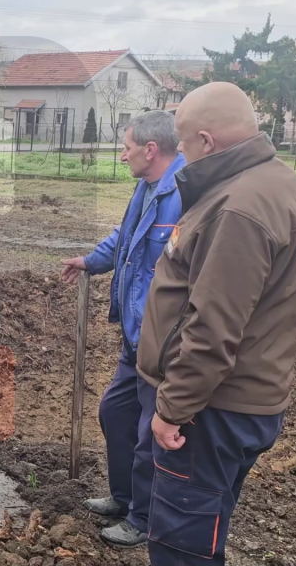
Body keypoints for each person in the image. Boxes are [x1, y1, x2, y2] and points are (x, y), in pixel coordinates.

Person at [138, 82, 296, 565]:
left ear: (206, 141)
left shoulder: (238, 207)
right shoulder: (283, 183)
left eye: (185, 143)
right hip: (248, 397)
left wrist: (172, 409)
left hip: (211, 410)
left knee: (182, 543)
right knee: (207, 521)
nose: (183, 156)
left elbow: (213, 327)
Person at [60, 110, 185, 548]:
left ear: (151, 150)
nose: (121, 155)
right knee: (115, 412)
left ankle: (145, 518)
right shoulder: (146, 188)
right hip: (136, 337)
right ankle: (124, 496)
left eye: (126, 147)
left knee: (151, 432)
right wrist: (91, 261)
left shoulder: (188, 194)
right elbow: (126, 236)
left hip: (165, 340)